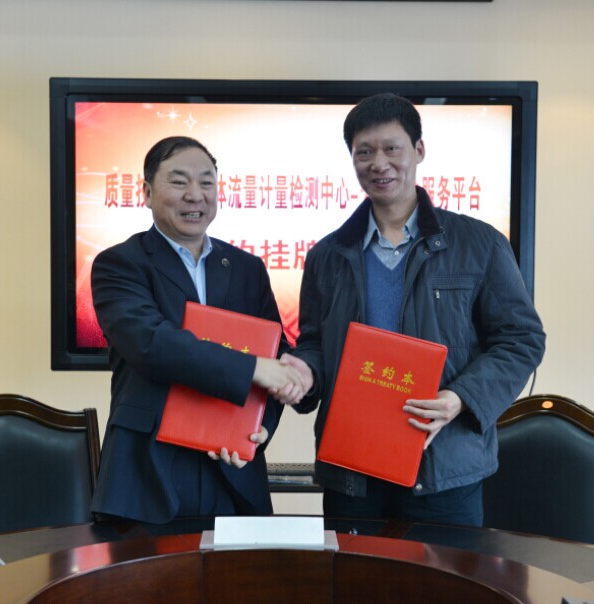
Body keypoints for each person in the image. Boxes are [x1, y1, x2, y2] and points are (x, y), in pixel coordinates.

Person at [289, 93, 546, 526]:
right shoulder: (327, 255)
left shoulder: (480, 244)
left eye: (392, 148)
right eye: (364, 152)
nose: (379, 164)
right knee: (353, 572)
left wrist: (460, 398)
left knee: (443, 572)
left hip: (444, 467)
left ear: (419, 150)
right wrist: (303, 372)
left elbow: (522, 340)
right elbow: (314, 342)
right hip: (353, 472)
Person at [90, 136, 309, 523]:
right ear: (146, 193)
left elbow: (274, 355)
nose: (195, 195)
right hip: (148, 476)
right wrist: (253, 368)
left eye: (206, 182)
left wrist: (261, 428)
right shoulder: (120, 264)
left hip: (233, 473)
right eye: (179, 182)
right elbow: (152, 345)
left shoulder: (247, 269)